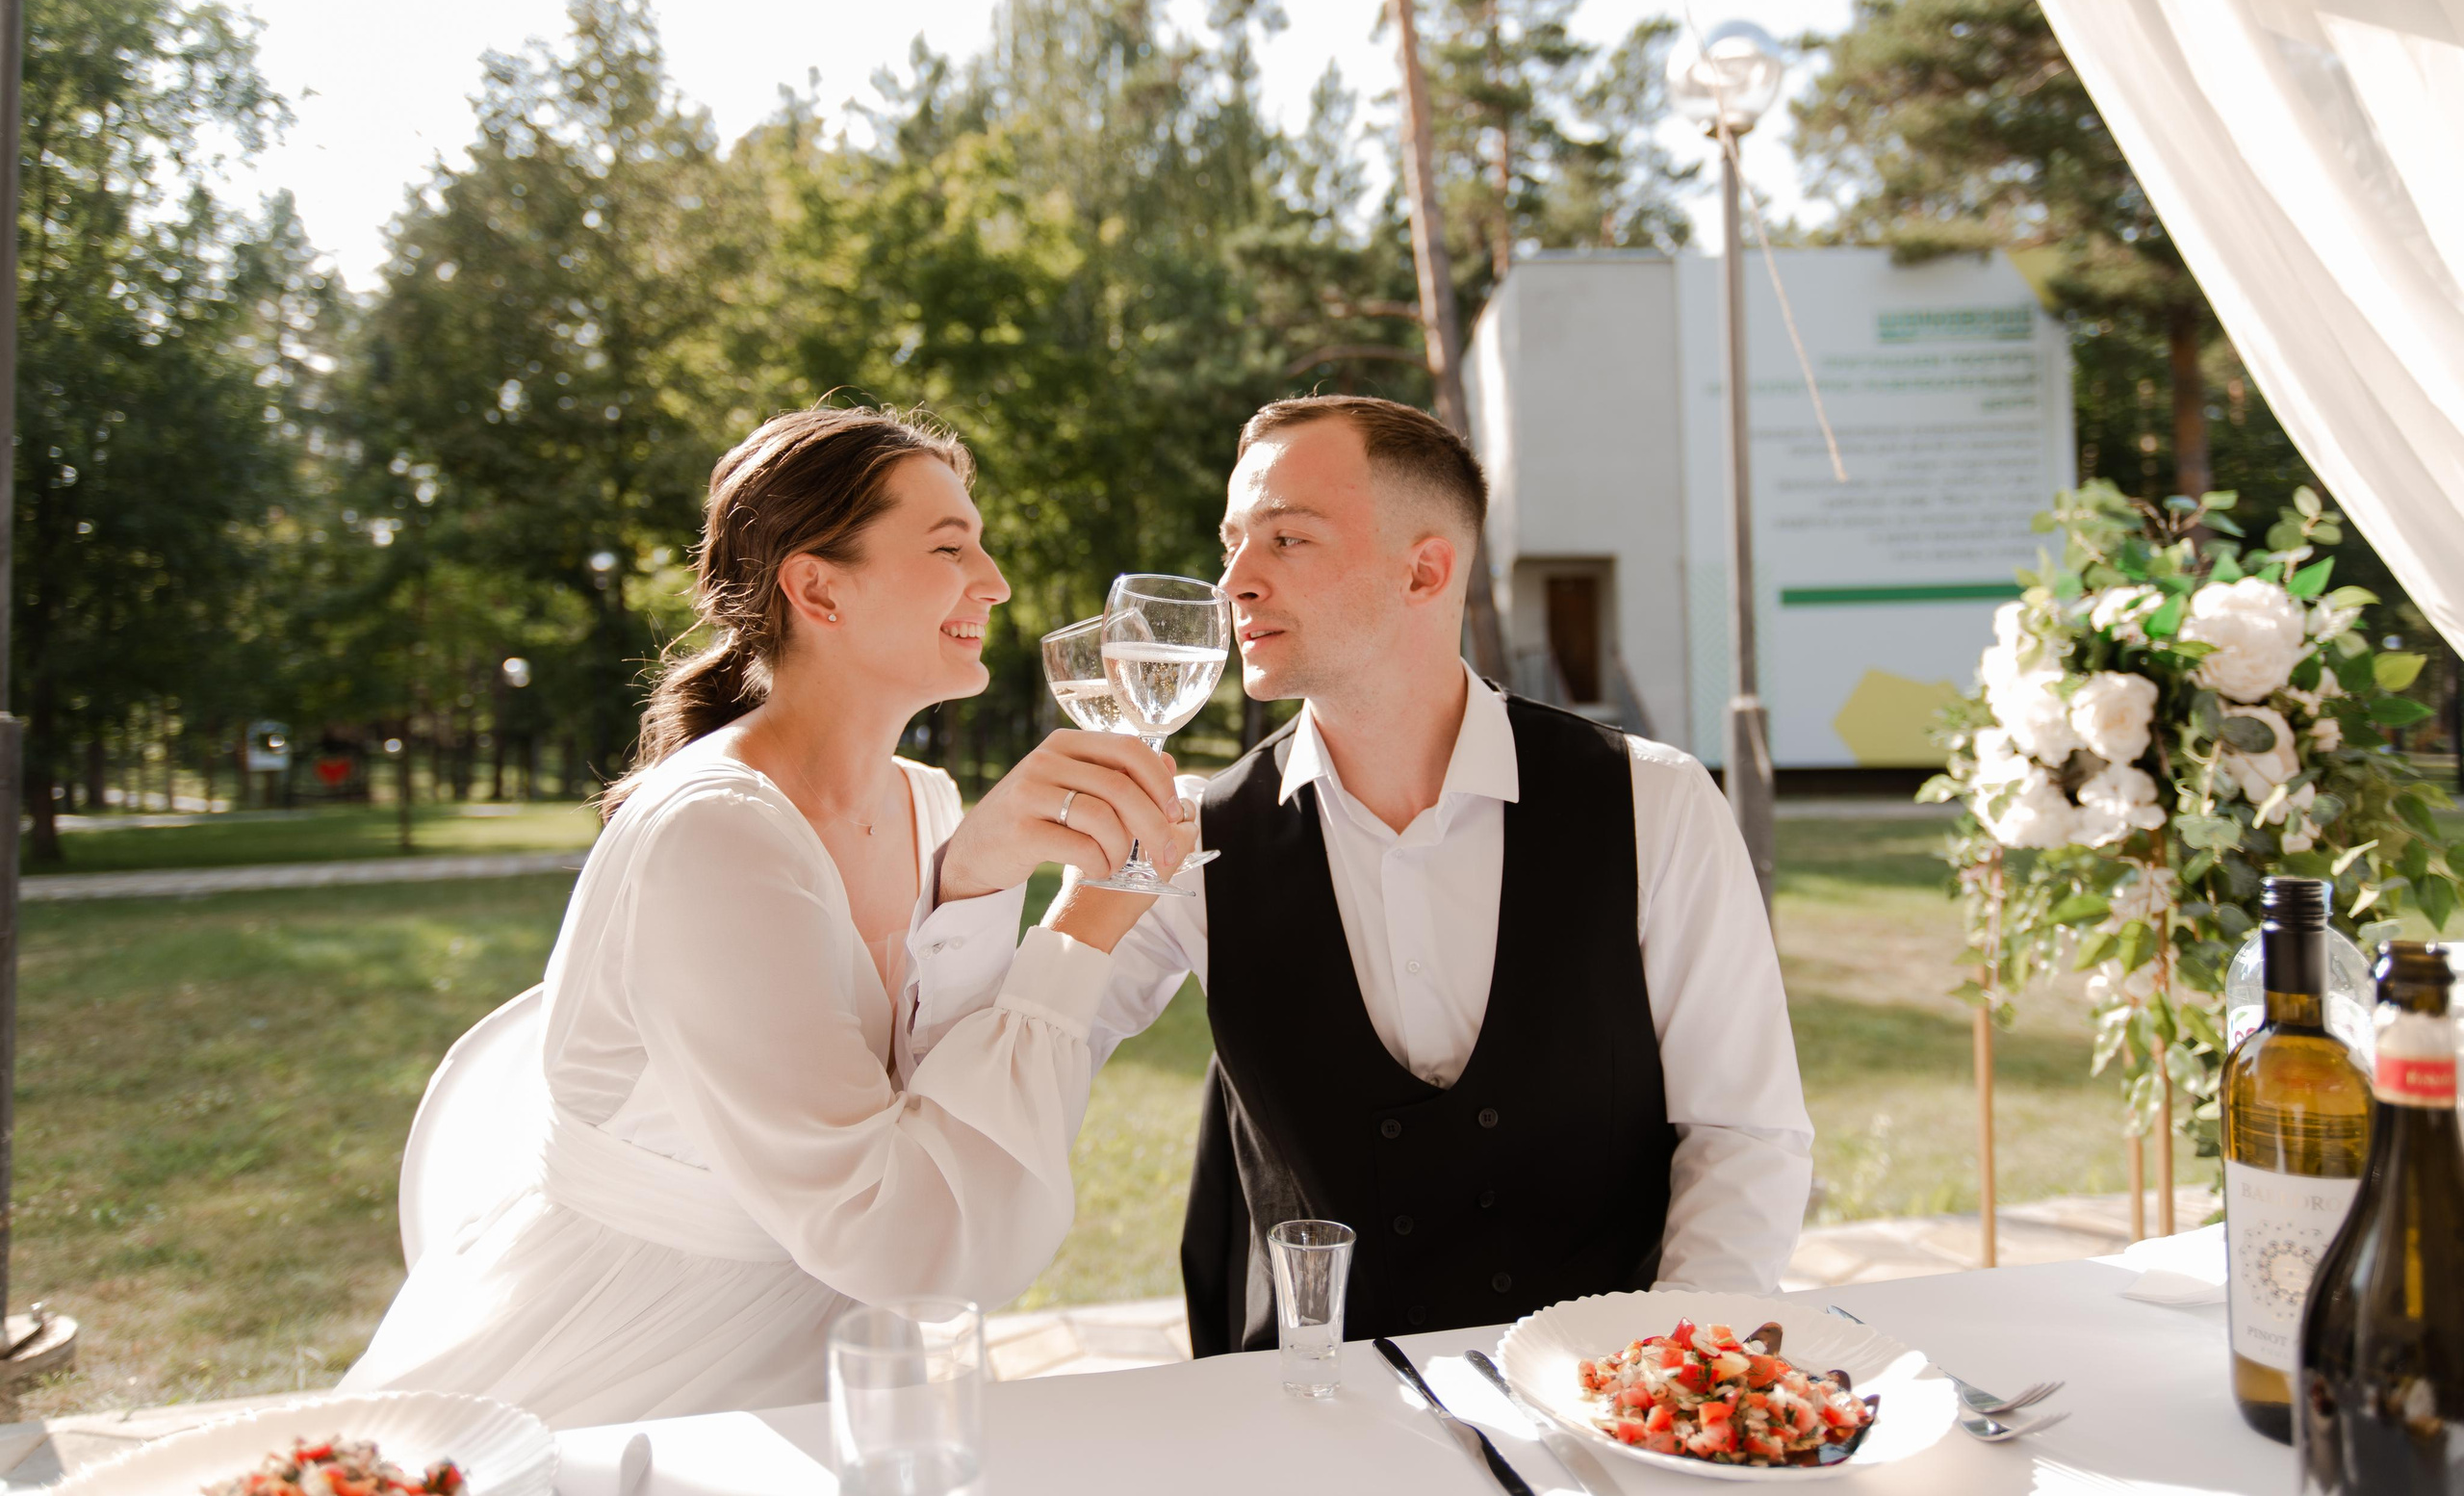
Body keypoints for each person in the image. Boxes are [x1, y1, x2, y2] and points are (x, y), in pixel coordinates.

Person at [345, 403, 1188, 1427]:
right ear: (817, 586)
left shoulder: (927, 800)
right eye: (950, 544)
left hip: (827, 1362)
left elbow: (944, 1098)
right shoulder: (716, 835)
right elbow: (904, 1233)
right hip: (627, 1367)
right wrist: (1086, 921)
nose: (996, 579)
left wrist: (969, 879)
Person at [917, 394, 1811, 1354]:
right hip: (1306, 1410)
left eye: (1287, 539)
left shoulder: (1655, 803)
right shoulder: (1191, 840)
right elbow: (1012, 1088)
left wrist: (1666, 1369)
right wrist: (981, 879)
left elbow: (1744, 1135)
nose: (1235, 582)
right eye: (1230, 545)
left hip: (1598, 1405)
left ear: (1424, 570)